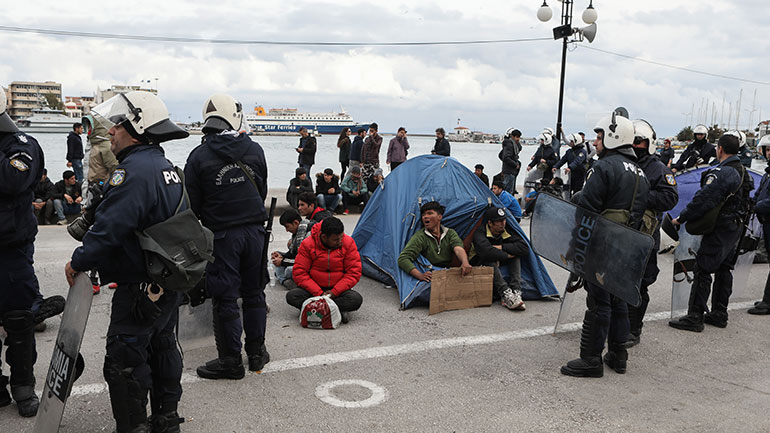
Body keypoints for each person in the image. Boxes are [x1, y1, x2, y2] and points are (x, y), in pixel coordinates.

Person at [64, 91, 189, 432]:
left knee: (124, 361)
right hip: (164, 279)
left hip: (138, 285)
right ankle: (166, 420)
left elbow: (108, 230)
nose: (112, 132)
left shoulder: (132, 172)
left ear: (135, 128)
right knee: (163, 347)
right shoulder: (165, 166)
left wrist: (78, 261)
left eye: (118, 125)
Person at [185, 93, 271, 381]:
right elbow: (260, 190)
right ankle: (257, 352)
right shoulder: (255, 149)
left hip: (222, 236)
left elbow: (193, 206)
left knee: (225, 298)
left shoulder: (198, 156)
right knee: (254, 292)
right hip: (255, 232)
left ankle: (231, 361)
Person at [560, 112, 649, 378]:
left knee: (598, 302)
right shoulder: (641, 173)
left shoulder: (603, 168)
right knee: (618, 298)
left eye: (599, 137)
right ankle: (618, 355)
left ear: (613, 136)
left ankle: (591, 359)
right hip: (626, 247)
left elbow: (586, 211)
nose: (596, 142)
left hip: (601, 244)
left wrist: (576, 250)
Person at [669, 134, 754, 332]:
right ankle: (719, 313)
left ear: (720, 149)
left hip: (721, 227)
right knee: (724, 269)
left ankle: (695, 317)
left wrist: (681, 218)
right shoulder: (743, 171)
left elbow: (703, 199)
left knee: (703, 268)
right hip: (736, 227)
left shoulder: (722, 172)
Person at [0, 89, 45, 417]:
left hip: (11, 249)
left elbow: (14, 178)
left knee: (19, 318)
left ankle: (23, 384)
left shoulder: (21, 143)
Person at [625, 119, 678, 347]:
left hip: (645, 237)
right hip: (619, 234)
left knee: (640, 285)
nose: (636, 145)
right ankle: (618, 325)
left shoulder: (658, 170)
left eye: (640, 141)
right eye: (633, 141)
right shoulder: (622, 163)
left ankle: (633, 330)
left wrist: (639, 195)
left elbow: (669, 198)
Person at [287, 217, 363, 323]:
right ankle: (335, 310)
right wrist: (319, 293)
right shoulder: (308, 244)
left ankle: (314, 309)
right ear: (324, 237)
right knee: (292, 296)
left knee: (355, 300)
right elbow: (299, 273)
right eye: (336, 240)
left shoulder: (348, 242)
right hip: (314, 290)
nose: (340, 242)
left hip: (337, 290)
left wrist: (334, 292)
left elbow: (354, 272)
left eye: (341, 237)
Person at [397, 201, 472, 283]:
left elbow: (458, 248)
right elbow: (403, 259)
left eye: (430, 213)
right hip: (429, 274)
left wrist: (465, 262)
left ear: (439, 217)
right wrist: (420, 275)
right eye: (423, 214)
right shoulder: (420, 236)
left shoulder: (450, 233)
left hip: (445, 271)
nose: (425, 217)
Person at [470, 207, 527, 310]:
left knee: (516, 256)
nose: (503, 223)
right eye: (499, 221)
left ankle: (516, 291)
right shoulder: (480, 232)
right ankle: (505, 293)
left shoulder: (506, 230)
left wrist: (501, 247)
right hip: (480, 262)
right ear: (490, 223)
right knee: (489, 260)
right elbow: (485, 252)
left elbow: (524, 247)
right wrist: (507, 255)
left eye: (504, 220)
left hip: (499, 259)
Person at [748, 135, 770, 315]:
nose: (769, 153)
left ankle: (768, 302)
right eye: (767, 149)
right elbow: (760, 194)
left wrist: (756, 206)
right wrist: (750, 203)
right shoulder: (768, 173)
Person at [271, 209, 312, 290]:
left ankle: (283, 280)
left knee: (289, 270)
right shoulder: (297, 233)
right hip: (298, 262)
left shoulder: (308, 235)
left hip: (309, 266)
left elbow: (304, 261)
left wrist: (282, 261)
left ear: (296, 223)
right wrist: (280, 255)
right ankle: (285, 280)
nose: (286, 230)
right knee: (273, 263)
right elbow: (293, 254)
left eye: (287, 226)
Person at [83, 112, 119, 185]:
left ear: (97, 126)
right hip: (91, 186)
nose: (89, 129)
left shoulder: (106, 146)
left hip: (101, 188)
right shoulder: (92, 144)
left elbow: (115, 169)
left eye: (90, 125)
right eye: (88, 126)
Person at [499, 128, 522, 195]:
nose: (518, 139)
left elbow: (501, 156)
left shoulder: (513, 145)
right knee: (508, 191)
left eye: (519, 137)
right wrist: (515, 164)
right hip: (509, 171)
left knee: (509, 190)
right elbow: (505, 157)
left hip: (511, 171)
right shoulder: (509, 145)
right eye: (517, 137)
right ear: (512, 136)